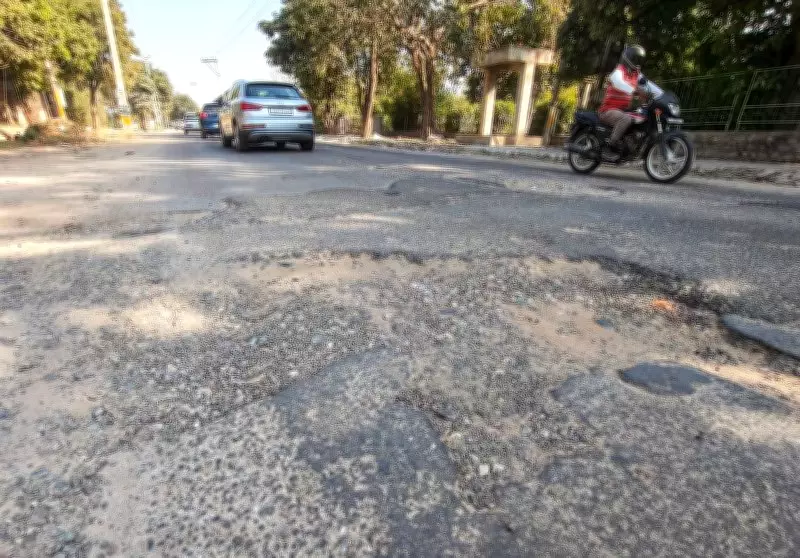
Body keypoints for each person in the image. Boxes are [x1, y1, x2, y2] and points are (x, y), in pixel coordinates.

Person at [598, 45, 646, 154]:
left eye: (639, 60)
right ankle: (611, 144)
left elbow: (647, 85)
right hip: (608, 110)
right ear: (628, 58)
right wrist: (634, 91)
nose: (637, 62)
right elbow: (619, 82)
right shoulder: (619, 71)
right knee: (625, 119)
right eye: (635, 59)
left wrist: (659, 95)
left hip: (623, 110)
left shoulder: (636, 74)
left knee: (640, 118)